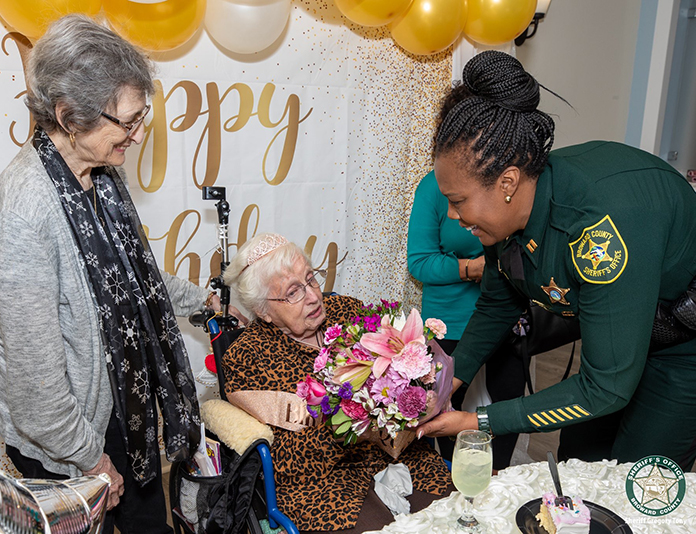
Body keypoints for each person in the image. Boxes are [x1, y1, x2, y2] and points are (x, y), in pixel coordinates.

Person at [0, 15, 243, 533]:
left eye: (142, 115)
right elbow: (36, 384)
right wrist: (91, 459)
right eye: (127, 121)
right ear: (68, 115)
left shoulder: (101, 172)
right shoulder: (24, 205)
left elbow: (136, 278)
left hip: (121, 403)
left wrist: (204, 301)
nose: (140, 133)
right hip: (62, 437)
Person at [416, 50, 696, 470]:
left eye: (458, 201)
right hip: (620, 338)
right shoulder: (503, 218)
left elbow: (605, 388)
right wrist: (446, 381)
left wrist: (478, 421)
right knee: (578, 464)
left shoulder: (596, 229)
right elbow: (498, 302)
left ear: (507, 182)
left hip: (682, 350)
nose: (454, 216)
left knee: (638, 480)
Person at [221, 233, 452, 534]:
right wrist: (352, 430)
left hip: (398, 453)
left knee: (456, 515)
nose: (314, 296)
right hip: (322, 484)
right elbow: (285, 459)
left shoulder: (348, 312)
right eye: (293, 293)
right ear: (263, 311)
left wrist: (418, 395)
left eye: (311, 279)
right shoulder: (247, 357)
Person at [407, 170, 524, 470]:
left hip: (506, 324)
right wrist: (476, 268)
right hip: (449, 325)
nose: (454, 213)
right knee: (451, 441)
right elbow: (420, 262)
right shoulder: (434, 186)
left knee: (501, 433)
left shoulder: (512, 186)